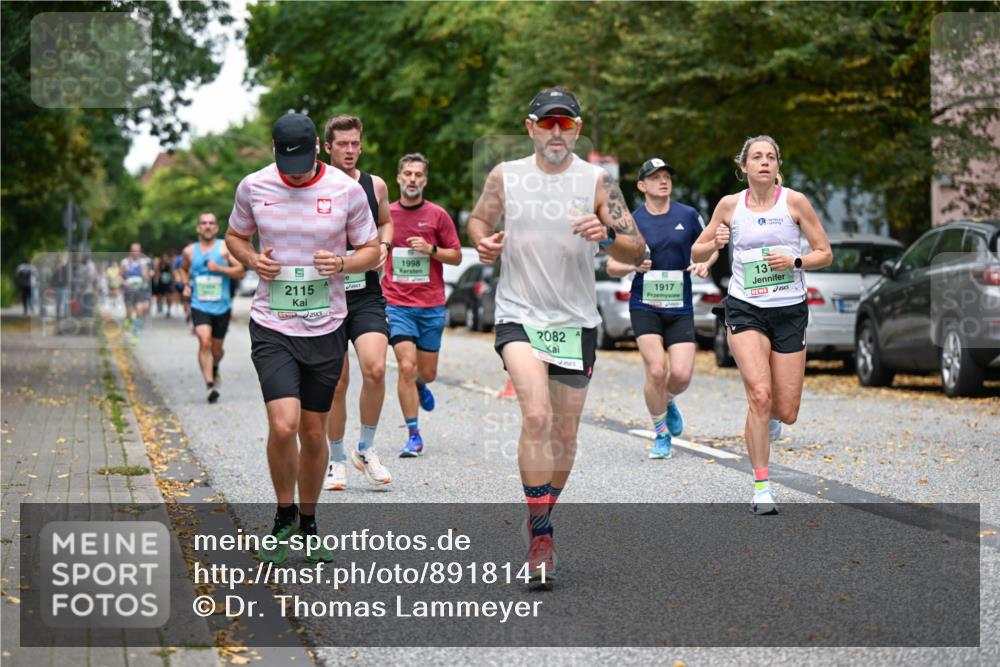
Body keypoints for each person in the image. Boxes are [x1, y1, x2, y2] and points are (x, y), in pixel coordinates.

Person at [467, 87, 647, 581]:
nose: (555, 132)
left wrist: (607, 234)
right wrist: (483, 241)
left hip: (575, 321)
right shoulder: (506, 175)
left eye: (565, 124)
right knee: (538, 414)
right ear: (529, 128)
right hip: (519, 314)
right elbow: (479, 218)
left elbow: (636, 247)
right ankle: (541, 538)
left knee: (565, 436)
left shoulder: (598, 182)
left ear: (577, 130)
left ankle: (539, 514)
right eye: (547, 123)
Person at [225, 112, 379, 564]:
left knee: (313, 433)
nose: (293, 173)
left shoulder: (346, 190)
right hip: (273, 324)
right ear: (274, 149)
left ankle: (308, 523)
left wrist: (343, 264)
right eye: (284, 162)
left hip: (327, 326)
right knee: (283, 424)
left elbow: (372, 250)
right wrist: (253, 259)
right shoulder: (253, 186)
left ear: (316, 149)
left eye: (300, 162)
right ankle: (282, 514)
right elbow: (236, 236)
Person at [691, 135, 831, 515]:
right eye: (757, 157)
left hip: (788, 309)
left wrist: (796, 261)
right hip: (745, 307)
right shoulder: (729, 205)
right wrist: (715, 240)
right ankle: (762, 486)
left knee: (785, 410)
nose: (764, 162)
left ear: (777, 166)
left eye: (771, 157)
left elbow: (824, 252)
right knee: (759, 394)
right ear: (745, 167)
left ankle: (769, 421)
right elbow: (698, 251)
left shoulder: (795, 202)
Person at [606, 158, 717, 459]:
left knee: (680, 375)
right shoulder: (629, 222)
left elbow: (710, 247)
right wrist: (631, 263)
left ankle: (667, 400)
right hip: (644, 304)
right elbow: (611, 266)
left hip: (680, 305)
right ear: (642, 185)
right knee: (656, 370)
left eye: (667, 176)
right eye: (655, 178)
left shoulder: (689, 215)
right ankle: (661, 434)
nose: (663, 181)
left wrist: (704, 263)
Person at [321, 115, 395, 490]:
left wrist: (383, 244)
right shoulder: (315, 185)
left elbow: (386, 222)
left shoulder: (375, 185)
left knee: (376, 368)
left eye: (355, 143)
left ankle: (365, 449)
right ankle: (335, 458)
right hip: (328, 294)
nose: (350, 150)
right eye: (342, 144)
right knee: (336, 383)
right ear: (327, 147)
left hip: (365, 292)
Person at [381, 153, 462, 458]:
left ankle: (420, 384)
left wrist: (431, 249)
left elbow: (455, 255)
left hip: (430, 304)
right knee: (405, 365)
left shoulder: (438, 216)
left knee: (426, 373)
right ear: (399, 178)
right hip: (396, 304)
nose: (412, 179)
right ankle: (413, 435)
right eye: (407, 174)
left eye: (418, 175)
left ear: (425, 180)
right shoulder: (386, 215)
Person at [179, 213, 245, 404]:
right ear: (198, 228)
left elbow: (240, 271)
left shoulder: (225, 247)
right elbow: (183, 269)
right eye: (203, 223)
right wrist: (185, 284)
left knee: (217, 350)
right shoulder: (189, 251)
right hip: (199, 304)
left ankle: (214, 367)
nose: (207, 226)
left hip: (222, 306)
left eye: (211, 223)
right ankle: (210, 385)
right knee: (204, 342)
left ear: (216, 228)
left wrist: (219, 268)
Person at [121, 243, 151, 341]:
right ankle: (127, 321)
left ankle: (135, 333)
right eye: (134, 250)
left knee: (139, 310)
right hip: (129, 291)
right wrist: (124, 282)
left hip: (139, 290)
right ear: (130, 251)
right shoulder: (125, 262)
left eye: (137, 250)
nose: (136, 252)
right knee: (129, 313)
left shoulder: (143, 263)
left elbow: (147, 278)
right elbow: (119, 276)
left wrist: (145, 273)